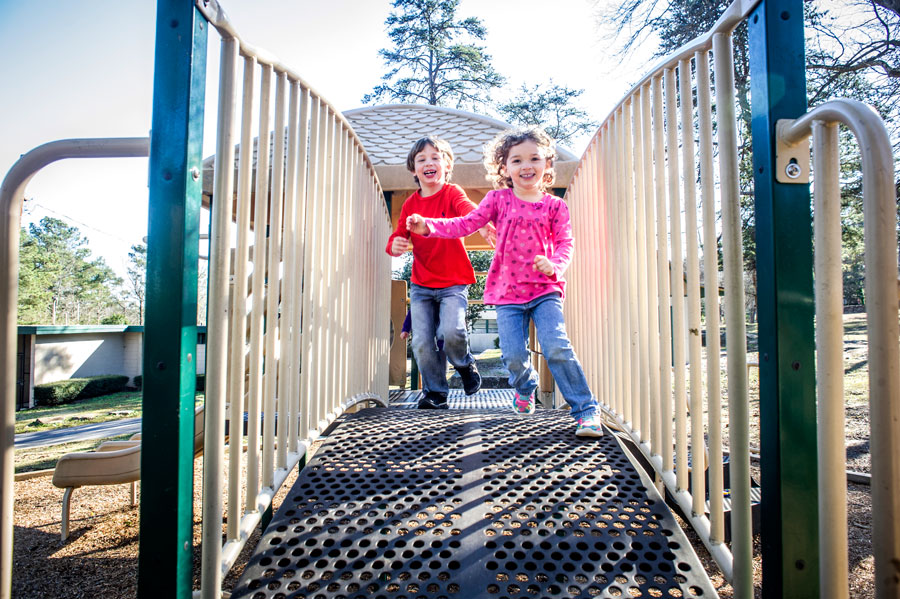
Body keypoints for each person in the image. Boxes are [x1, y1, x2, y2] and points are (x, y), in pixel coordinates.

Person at [405, 127, 604, 437]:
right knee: (513, 355)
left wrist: (555, 264)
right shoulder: (498, 200)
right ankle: (525, 387)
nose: (526, 166)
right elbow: (465, 223)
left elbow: (566, 242)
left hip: (544, 289)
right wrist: (428, 225)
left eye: (535, 158)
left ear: (547, 165)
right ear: (504, 168)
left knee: (556, 347)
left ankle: (586, 411)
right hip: (508, 293)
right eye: (517, 160)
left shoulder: (555, 206)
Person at [386, 136, 492, 409]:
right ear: (413, 170)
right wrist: (395, 244)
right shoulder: (410, 204)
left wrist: (481, 224)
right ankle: (435, 392)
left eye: (435, 158)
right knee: (421, 342)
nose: (429, 163)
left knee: (452, 330)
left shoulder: (451, 193)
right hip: (422, 284)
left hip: (453, 281)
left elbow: (468, 213)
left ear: (447, 165)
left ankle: (465, 365)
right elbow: (399, 236)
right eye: (421, 159)